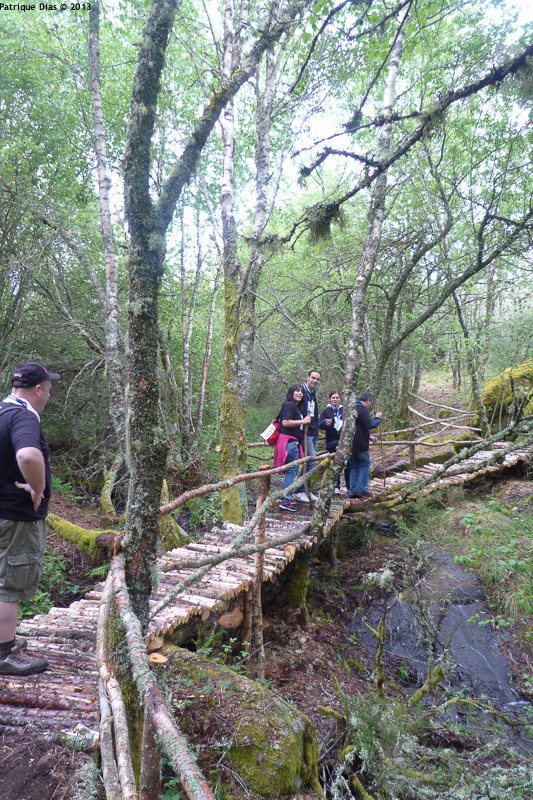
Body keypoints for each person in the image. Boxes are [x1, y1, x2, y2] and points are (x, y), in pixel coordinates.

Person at [0, 362, 61, 676]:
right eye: (49, 388)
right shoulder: (24, 417)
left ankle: (5, 640)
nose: (49, 394)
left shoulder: (2, 411)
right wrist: (37, 488)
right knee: (9, 585)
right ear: (38, 389)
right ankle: (3, 655)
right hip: (15, 518)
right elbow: (27, 455)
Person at [273, 385, 311, 512]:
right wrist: (303, 421)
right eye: (297, 391)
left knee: (292, 470)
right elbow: (285, 422)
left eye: (301, 392)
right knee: (292, 471)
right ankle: (286, 500)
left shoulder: (293, 406)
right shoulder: (289, 405)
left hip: (291, 442)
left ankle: (286, 497)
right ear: (291, 392)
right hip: (289, 442)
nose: (300, 393)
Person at [347, 392, 383, 500]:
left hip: (350, 444)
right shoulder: (362, 409)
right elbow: (369, 424)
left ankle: (352, 490)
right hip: (360, 443)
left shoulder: (350, 408)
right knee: (365, 463)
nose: (369, 405)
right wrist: (377, 418)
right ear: (367, 401)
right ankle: (361, 489)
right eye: (369, 403)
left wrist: (369, 436)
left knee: (354, 466)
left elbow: (359, 427)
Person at [293, 369, 320, 503]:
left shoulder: (313, 393)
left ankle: (306, 490)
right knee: (311, 461)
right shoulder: (301, 392)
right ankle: (299, 491)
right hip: (305, 432)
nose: (315, 381)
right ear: (307, 377)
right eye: (313, 378)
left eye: (317, 379)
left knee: (310, 462)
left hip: (313, 431)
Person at [319, 390, 349, 494]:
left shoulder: (344, 410)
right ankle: (335, 486)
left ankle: (349, 486)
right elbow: (319, 424)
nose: (335, 400)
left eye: (337, 397)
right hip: (331, 441)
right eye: (333, 398)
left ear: (340, 399)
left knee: (347, 463)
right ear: (329, 399)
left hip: (344, 441)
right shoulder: (326, 411)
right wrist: (324, 422)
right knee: (334, 464)